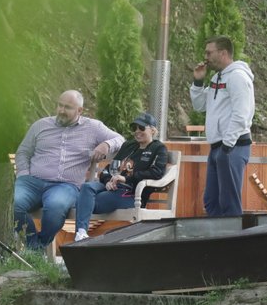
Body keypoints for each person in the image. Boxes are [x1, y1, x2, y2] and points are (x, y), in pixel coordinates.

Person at [13, 90, 123, 250]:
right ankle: (34, 247)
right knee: (14, 203)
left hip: (66, 186)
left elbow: (120, 139)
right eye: (60, 105)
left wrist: (106, 145)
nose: (61, 110)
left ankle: (36, 248)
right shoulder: (40, 125)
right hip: (31, 182)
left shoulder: (93, 127)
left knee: (55, 208)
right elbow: (23, 152)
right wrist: (23, 175)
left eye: (67, 107)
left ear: (80, 111)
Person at [73, 112, 168, 242]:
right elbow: (108, 169)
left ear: (152, 130)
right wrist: (107, 181)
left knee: (84, 201)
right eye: (134, 128)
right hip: (111, 187)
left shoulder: (158, 148)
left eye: (141, 128)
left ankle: (80, 233)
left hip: (130, 193)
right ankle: (81, 234)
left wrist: (126, 178)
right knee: (87, 187)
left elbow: (156, 172)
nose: (137, 131)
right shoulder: (128, 145)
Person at [189, 35, 255, 216]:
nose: (206, 57)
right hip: (218, 146)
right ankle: (216, 239)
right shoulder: (217, 78)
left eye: (209, 52)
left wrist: (227, 144)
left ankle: (233, 242)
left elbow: (242, 114)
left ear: (223, 53)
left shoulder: (238, 77)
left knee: (229, 202)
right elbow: (200, 105)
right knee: (211, 201)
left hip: (233, 146)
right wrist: (198, 82)